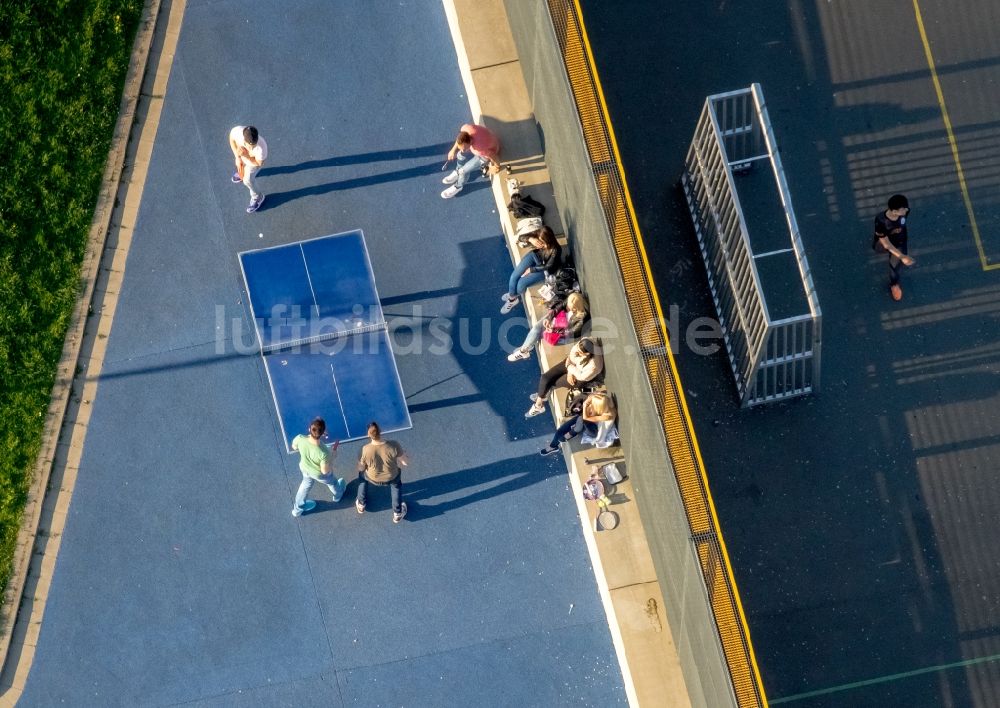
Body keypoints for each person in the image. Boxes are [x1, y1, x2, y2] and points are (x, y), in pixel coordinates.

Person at [525, 338, 604, 418]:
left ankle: (540, 400)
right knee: (545, 377)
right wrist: (570, 371)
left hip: (578, 378)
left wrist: (570, 369)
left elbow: (581, 376)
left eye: (580, 352)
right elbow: (572, 354)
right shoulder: (584, 342)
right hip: (571, 364)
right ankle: (540, 399)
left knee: (554, 382)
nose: (577, 352)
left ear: (587, 354)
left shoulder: (593, 366)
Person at [508, 292, 589, 361]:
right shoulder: (571, 301)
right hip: (560, 321)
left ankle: (524, 350)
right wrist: (549, 319)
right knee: (537, 328)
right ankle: (524, 350)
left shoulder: (581, 319)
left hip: (567, 335)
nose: (566, 307)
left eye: (569, 308)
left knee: (545, 335)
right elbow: (558, 308)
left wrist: (554, 330)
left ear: (575, 308)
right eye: (567, 305)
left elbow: (570, 333)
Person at [290, 418, 346, 517]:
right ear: (323, 432)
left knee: (305, 485)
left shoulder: (300, 438)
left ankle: (297, 509)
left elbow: (294, 447)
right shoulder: (324, 452)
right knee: (332, 482)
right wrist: (332, 456)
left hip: (304, 468)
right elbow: (324, 471)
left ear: (309, 429)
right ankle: (338, 496)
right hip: (318, 474)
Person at [355, 421, 409, 523]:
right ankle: (397, 513)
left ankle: (361, 504)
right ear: (380, 431)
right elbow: (405, 462)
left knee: (362, 476)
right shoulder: (394, 445)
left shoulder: (364, 450)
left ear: (368, 435)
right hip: (392, 477)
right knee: (396, 486)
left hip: (372, 478)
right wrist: (404, 454)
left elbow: (361, 468)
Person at [500, 226, 562, 314]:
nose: (542, 245)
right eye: (540, 242)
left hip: (543, 269)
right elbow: (520, 238)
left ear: (550, 240)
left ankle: (512, 298)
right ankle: (512, 296)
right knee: (514, 277)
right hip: (535, 256)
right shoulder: (538, 234)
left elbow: (548, 266)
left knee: (520, 285)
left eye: (544, 243)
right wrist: (530, 239)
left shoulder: (556, 249)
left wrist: (531, 270)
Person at [539, 391, 617, 456]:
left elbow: (586, 418)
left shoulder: (608, 415)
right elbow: (596, 397)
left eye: (593, 404)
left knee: (581, 419)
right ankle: (553, 446)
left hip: (594, 431)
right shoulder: (603, 402)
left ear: (599, 407)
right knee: (560, 431)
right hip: (587, 420)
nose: (591, 404)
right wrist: (591, 397)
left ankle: (572, 433)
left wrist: (586, 404)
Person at [441, 123, 500, 199]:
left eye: (464, 148)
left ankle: (458, 186)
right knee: (459, 154)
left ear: (470, 142)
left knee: (463, 171)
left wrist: (496, 166)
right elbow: (460, 139)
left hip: (486, 154)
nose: (463, 150)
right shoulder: (465, 129)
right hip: (488, 140)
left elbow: (493, 156)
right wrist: (453, 150)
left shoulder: (479, 149)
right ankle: (457, 172)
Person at [874, 194, 915, 301]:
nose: (906, 211)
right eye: (903, 210)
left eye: (906, 208)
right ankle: (894, 284)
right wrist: (902, 256)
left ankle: (894, 284)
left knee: (895, 267)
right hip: (886, 242)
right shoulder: (881, 221)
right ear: (894, 211)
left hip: (900, 241)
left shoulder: (905, 212)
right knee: (883, 251)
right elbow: (886, 244)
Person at [229, 125, 268, 213]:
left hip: (254, 162)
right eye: (250, 146)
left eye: (254, 145)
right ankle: (244, 169)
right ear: (244, 140)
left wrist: (246, 155)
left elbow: (258, 163)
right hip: (243, 157)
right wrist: (237, 157)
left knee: (247, 180)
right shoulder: (237, 132)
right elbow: (231, 138)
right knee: (241, 165)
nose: (252, 148)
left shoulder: (262, 148)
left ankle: (258, 197)